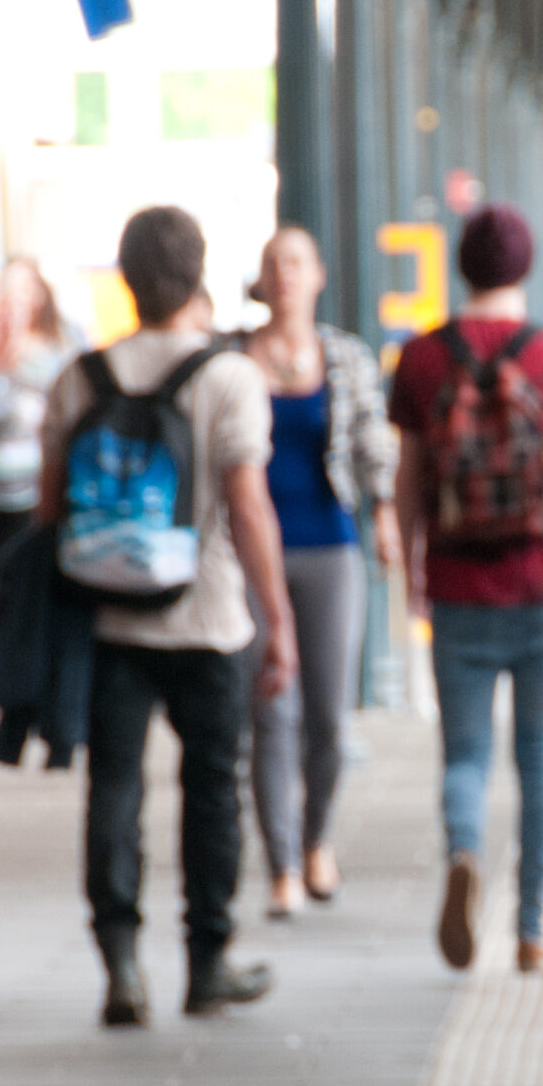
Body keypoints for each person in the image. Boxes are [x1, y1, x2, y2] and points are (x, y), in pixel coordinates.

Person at [38, 206, 295, 1025]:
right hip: (210, 619)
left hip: (108, 620)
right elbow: (249, 511)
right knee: (212, 790)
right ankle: (206, 962)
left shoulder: (83, 375)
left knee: (113, 790)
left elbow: (50, 509)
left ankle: (121, 966)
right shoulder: (228, 377)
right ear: (198, 278)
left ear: (125, 279)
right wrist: (279, 620)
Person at [389, 204, 543, 974]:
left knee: (464, 754)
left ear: (462, 267)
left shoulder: (423, 359)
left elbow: (407, 482)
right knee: (537, 756)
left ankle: (465, 851)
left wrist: (413, 573)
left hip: (460, 583)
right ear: (524, 267)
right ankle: (531, 930)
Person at [240, 226, 397, 920]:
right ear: (261, 278)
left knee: (328, 716)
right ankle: (280, 865)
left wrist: (387, 512)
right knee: (271, 709)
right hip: (253, 553)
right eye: (274, 264)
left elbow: (371, 442)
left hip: (330, 545)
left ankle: (317, 842)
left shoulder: (348, 357)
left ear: (319, 275)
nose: (285, 275)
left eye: (297, 262)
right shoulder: (235, 358)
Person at [0, 257, 81, 611]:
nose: (9, 310)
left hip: (29, 492)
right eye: (3, 301)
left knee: (22, 595)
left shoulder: (53, 356)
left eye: (18, 299)